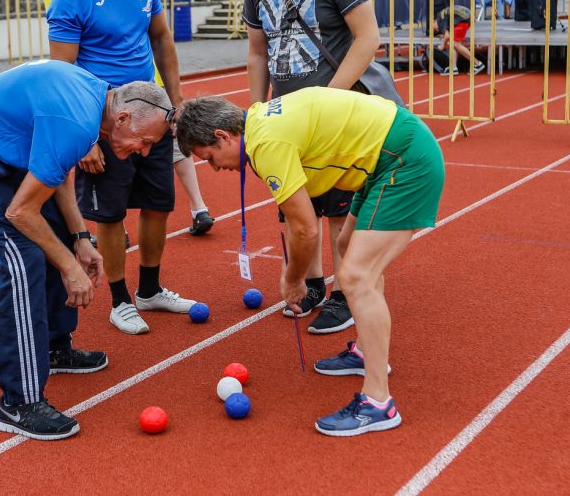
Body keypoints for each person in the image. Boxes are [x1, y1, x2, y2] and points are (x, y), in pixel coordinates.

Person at [175, 88, 445, 436]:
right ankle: (364, 352)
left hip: (402, 159)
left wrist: (293, 279)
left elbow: (304, 229)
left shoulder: (265, 143)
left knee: (356, 276)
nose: (213, 167)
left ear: (222, 136)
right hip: (383, 157)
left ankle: (378, 402)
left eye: (208, 157)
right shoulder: (258, 120)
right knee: (349, 248)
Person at [0, 59, 175, 440]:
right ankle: (19, 403)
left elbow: (53, 167)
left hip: (10, 149)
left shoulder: (99, 104)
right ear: (124, 118)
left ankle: (54, 349)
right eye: (145, 141)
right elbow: (20, 212)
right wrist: (69, 267)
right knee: (22, 259)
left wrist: (79, 238)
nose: (144, 151)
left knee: (58, 237)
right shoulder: (79, 121)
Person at [48, 0, 204, 335]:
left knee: (159, 202)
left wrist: (176, 102)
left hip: (150, 112)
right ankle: (119, 300)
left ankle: (149, 290)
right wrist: (84, 140)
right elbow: (63, 77)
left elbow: (161, 38)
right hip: (103, 121)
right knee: (111, 213)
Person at [240, 0, 385, 334]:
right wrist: (256, 108)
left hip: (337, 115)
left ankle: (343, 295)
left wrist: (329, 99)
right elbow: (256, 52)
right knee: (297, 208)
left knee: (341, 212)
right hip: (288, 118)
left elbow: (368, 38)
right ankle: (315, 283)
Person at [434, 4, 485, 75]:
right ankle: (453, 68)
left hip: (462, 20)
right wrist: (445, 35)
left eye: (435, 29)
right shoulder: (444, 14)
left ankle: (477, 63)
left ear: (433, 21)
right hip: (467, 17)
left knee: (455, 43)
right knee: (454, 43)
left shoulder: (440, 18)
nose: (437, 30)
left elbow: (447, 36)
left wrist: (443, 46)